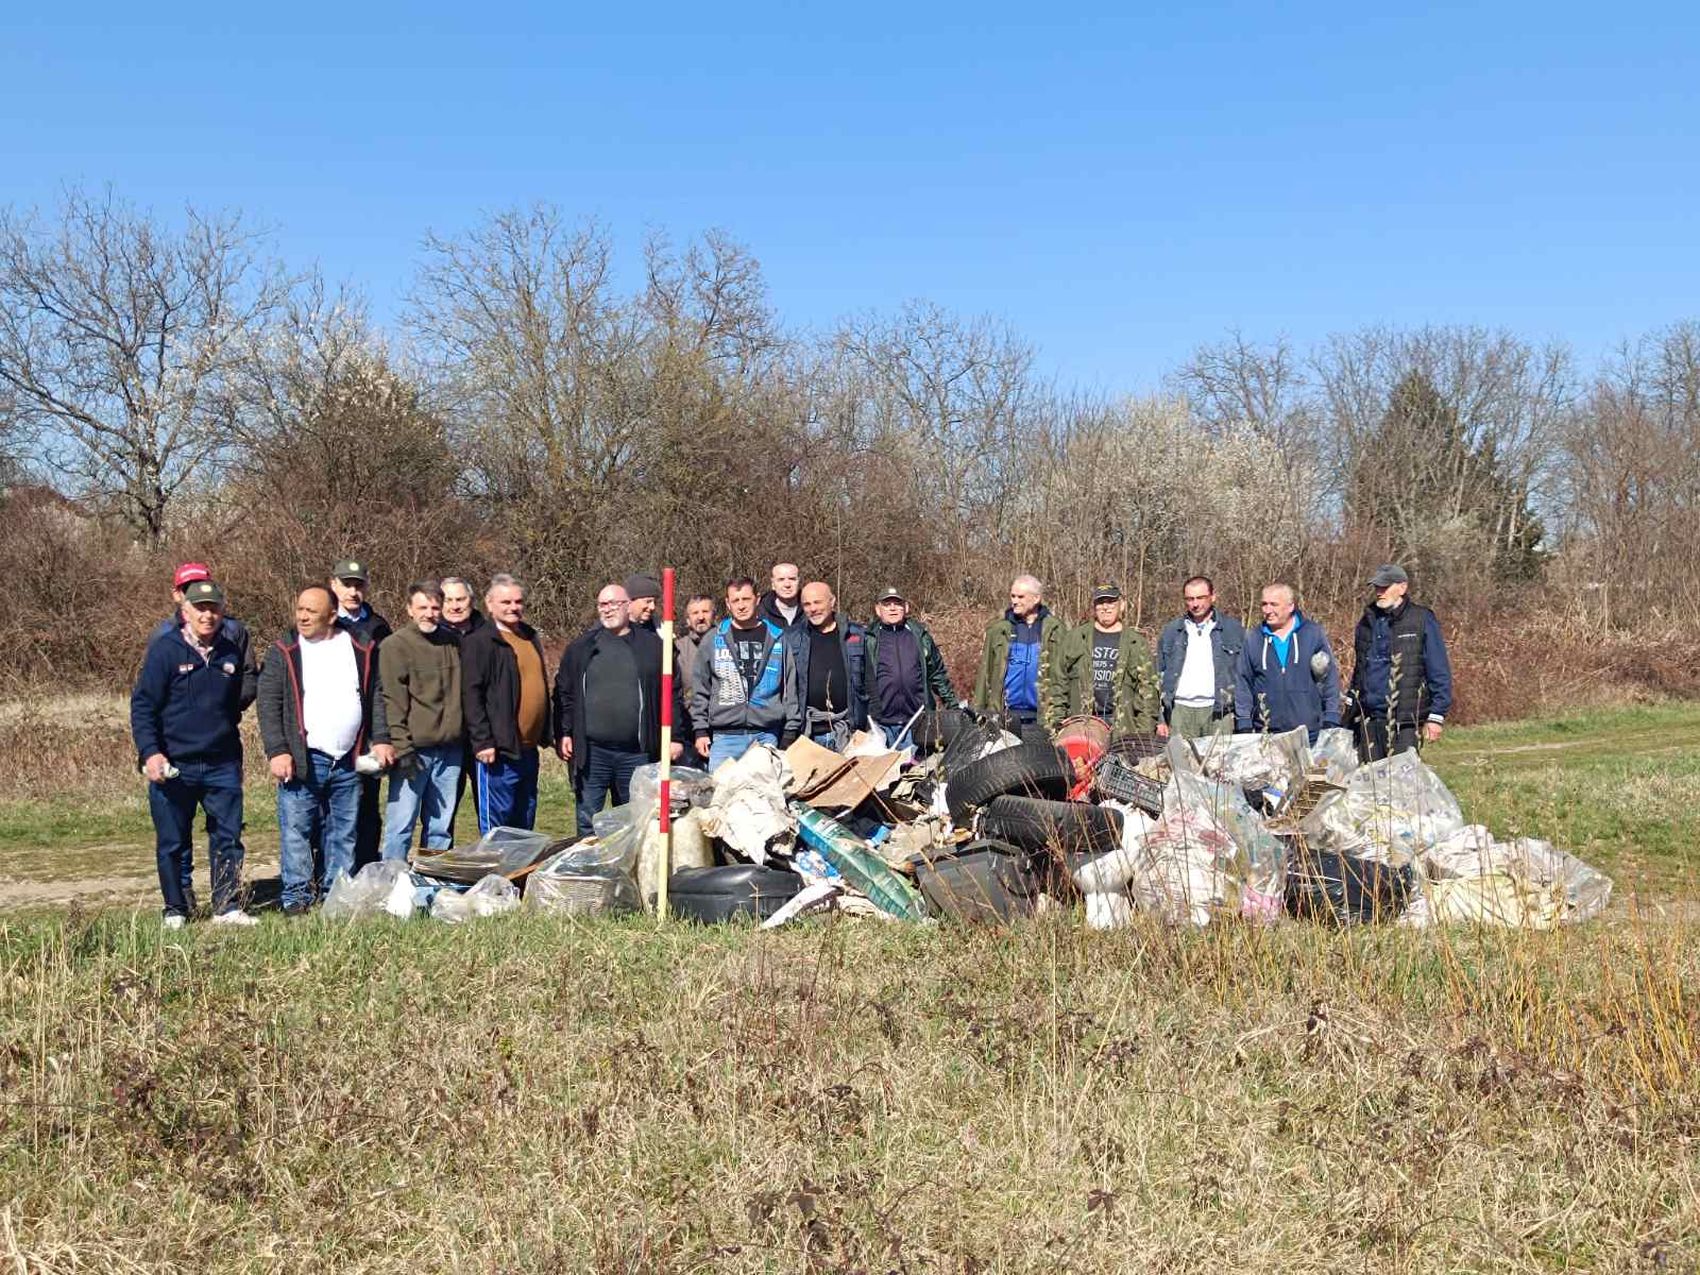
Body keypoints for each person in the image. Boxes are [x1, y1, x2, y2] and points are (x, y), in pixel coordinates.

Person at [258, 585, 394, 915]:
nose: (303, 616)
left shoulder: (360, 646)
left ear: (332, 615)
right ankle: (297, 899)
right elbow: (268, 702)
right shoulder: (284, 650)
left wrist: (381, 737)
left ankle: (336, 897)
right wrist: (278, 750)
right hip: (304, 758)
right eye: (300, 609)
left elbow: (375, 695)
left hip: (349, 758)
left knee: (343, 832)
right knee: (297, 832)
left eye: (311, 612)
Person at [130, 579, 257, 928]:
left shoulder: (231, 651)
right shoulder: (165, 650)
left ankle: (227, 906)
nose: (207, 614)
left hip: (222, 762)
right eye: (199, 607)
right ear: (185, 611)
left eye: (213, 607)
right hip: (174, 763)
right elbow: (143, 707)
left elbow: (234, 703)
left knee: (228, 838)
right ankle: (176, 908)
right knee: (173, 841)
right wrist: (151, 753)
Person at [554, 583, 687, 837]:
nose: (607, 609)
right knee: (588, 820)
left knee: (633, 822)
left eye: (614, 603)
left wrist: (676, 737)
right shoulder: (581, 648)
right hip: (592, 753)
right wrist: (566, 732)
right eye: (602, 604)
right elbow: (565, 693)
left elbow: (672, 694)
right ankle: (589, 872)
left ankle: (627, 872)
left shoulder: (653, 647)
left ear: (627, 606)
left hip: (636, 753)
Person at [379, 580, 464, 859]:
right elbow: (392, 700)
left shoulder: (452, 642)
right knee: (401, 824)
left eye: (435, 607)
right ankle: (393, 883)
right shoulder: (395, 646)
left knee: (440, 828)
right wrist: (401, 747)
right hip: (413, 751)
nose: (429, 613)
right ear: (409, 610)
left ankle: (431, 887)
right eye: (423, 607)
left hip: (450, 751)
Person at [460, 574, 551, 832]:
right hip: (498, 751)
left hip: (528, 749)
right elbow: (472, 695)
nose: (513, 607)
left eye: (518, 601)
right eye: (506, 602)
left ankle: (519, 872)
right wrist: (483, 741)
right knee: (497, 824)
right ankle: (495, 872)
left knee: (524, 817)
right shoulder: (480, 641)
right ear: (489, 604)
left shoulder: (529, 637)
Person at [691, 576, 802, 771]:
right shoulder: (713, 638)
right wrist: (700, 730)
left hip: (766, 735)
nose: (741, 606)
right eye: (736, 600)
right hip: (725, 738)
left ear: (757, 599)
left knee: (765, 797)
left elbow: (789, 687)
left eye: (746, 599)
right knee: (722, 796)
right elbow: (701, 688)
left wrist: (790, 729)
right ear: (728, 603)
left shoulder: (777, 638)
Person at [1344, 564, 1454, 761]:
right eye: (1376, 587)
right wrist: (1351, 706)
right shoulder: (1367, 622)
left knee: (1403, 786)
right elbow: (1360, 669)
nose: (1379, 592)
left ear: (1402, 588)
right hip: (1369, 720)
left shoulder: (1421, 619)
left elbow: (1439, 670)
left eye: (1384, 587)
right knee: (1371, 786)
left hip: (1404, 722)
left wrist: (1436, 716)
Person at [1234, 582, 1341, 743]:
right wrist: (1244, 721)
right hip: (1266, 731)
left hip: (1308, 731)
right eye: (1264, 604)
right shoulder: (1254, 638)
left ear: (1290, 606)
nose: (1267, 610)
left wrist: (1331, 715)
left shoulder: (1312, 634)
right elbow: (1243, 681)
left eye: (1273, 604)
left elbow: (1329, 677)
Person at [1051, 583, 1159, 734]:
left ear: (1121, 605)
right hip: (1082, 724)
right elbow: (1058, 681)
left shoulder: (1136, 642)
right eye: (1100, 603)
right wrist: (1058, 721)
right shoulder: (1075, 638)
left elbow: (1148, 692)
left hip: (1121, 725)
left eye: (1111, 602)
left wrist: (1143, 732)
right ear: (1094, 607)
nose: (1105, 607)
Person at [862, 586, 957, 747]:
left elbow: (938, 674)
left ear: (906, 607)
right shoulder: (868, 639)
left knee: (918, 771)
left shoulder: (920, 636)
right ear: (878, 610)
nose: (892, 608)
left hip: (918, 722)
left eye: (897, 603)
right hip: (882, 725)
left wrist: (953, 707)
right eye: (887, 604)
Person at [1156, 576, 1245, 741]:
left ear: (1213, 596)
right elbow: (1157, 675)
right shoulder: (1172, 631)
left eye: (1200, 598)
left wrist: (1242, 715)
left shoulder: (1233, 630)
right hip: (1179, 712)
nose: (1195, 604)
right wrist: (1161, 719)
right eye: (1190, 599)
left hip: (1219, 712)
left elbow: (1244, 675)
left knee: (1218, 764)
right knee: (1181, 764)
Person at [784, 581, 867, 750]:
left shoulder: (857, 635)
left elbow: (871, 683)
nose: (812, 609)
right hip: (808, 735)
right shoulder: (791, 638)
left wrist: (872, 725)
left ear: (832, 601)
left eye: (817, 602)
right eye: (807, 604)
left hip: (849, 732)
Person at [972, 574, 1065, 727]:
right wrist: (978, 711)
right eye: (1013, 596)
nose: (1015, 601)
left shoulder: (1055, 630)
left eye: (1020, 597)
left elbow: (1064, 676)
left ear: (1036, 598)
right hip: (1005, 717)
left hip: (1043, 718)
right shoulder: (998, 630)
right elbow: (984, 675)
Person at [151, 562, 256, 675]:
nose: (196, 592)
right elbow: (153, 683)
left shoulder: (234, 630)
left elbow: (248, 674)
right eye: (188, 588)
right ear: (176, 594)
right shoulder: (164, 634)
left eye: (201, 585)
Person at [329, 558, 392, 645]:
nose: (353, 593)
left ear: (366, 587)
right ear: (333, 585)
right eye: (346, 585)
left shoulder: (379, 626)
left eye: (359, 586)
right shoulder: (326, 624)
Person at [676, 594, 716, 695]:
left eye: (705, 612)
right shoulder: (678, 648)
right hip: (690, 709)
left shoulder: (727, 643)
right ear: (688, 620)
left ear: (714, 616)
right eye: (695, 613)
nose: (701, 617)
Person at [757, 562, 806, 632]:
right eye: (781, 579)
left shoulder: (812, 609)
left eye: (792, 579)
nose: (787, 585)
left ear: (799, 582)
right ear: (773, 584)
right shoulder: (759, 612)